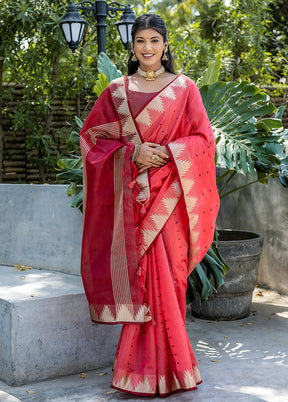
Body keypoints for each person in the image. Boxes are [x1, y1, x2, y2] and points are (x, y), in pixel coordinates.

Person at [80, 13, 219, 396]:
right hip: (132, 203)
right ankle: (135, 371)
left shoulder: (185, 88)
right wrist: (132, 152)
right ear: (132, 46)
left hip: (170, 201)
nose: (147, 48)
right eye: (140, 41)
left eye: (154, 41)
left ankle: (174, 370)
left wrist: (173, 151)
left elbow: (204, 141)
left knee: (169, 281)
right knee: (139, 282)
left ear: (166, 45)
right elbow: (92, 140)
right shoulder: (116, 91)